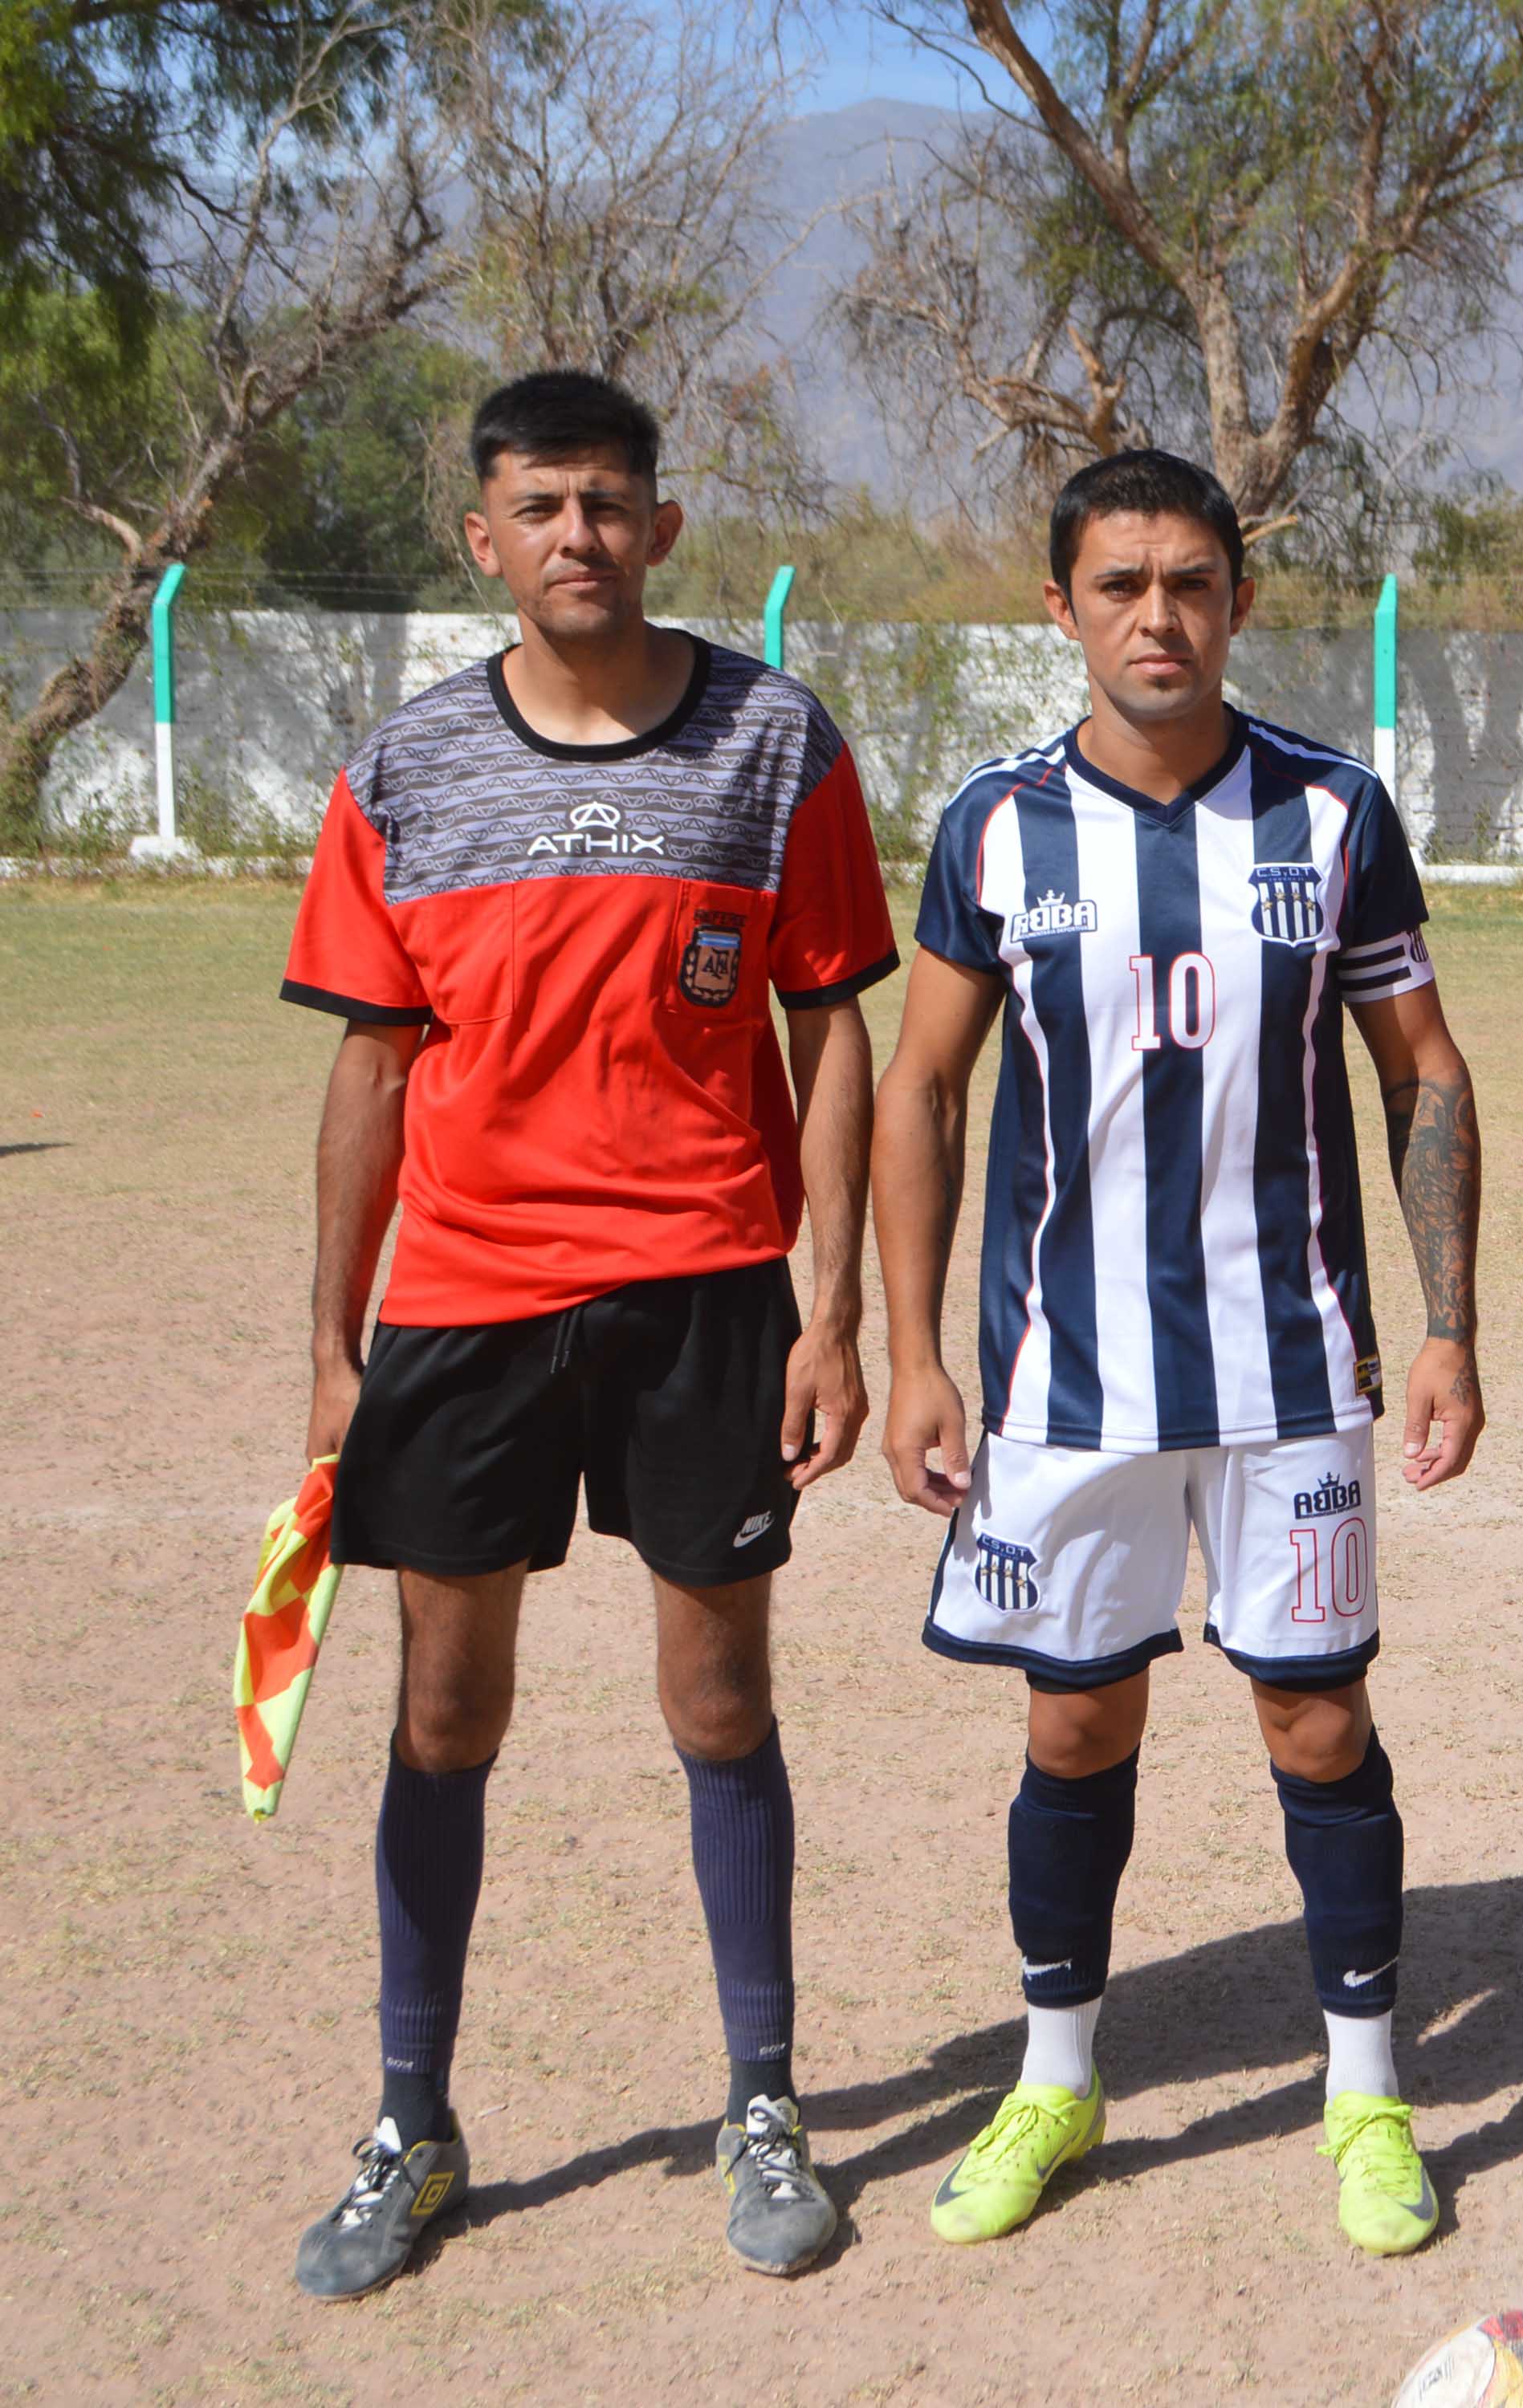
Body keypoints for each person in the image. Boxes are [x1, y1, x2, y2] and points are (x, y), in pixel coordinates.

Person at [279, 372, 894, 2296]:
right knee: (443, 1715)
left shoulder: (775, 745)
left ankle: (764, 2100)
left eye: (609, 503)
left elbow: (834, 1028)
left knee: (719, 1705)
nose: (578, 537)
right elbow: (373, 1068)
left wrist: (834, 1311)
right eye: (540, 506)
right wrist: (333, 1345)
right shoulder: (401, 772)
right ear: (485, 538)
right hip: (464, 1303)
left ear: (661, 528)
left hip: (707, 1290)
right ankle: (414, 2119)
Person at [877, 449, 1482, 2259]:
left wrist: (1449, 1326)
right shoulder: (996, 826)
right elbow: (921, 1089)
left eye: (1193, 583)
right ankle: (1057, 2076)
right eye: (1121, 585)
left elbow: (1425, 1075)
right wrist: (912, 1353)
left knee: (1316, 1715)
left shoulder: (1333, 813)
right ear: (1060, 606)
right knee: (1075, 1716)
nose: (1161, 616)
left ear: (1239, 600)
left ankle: (1366, 2093)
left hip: (1293, 1370)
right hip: (1067, 1380)